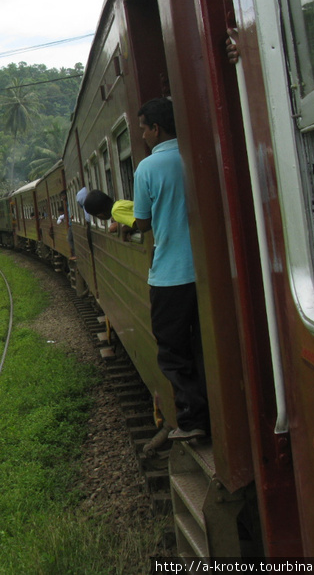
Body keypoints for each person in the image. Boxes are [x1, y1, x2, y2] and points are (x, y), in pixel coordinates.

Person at [133, 97, 209, 441]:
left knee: (174, 351)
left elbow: (143, 222)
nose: (143, 136)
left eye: (143, 130)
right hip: (207, 270)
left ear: (156, 128)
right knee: (205, 344)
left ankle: (193, 421)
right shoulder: (197, 153)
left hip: (170, 275)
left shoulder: (147, 168)